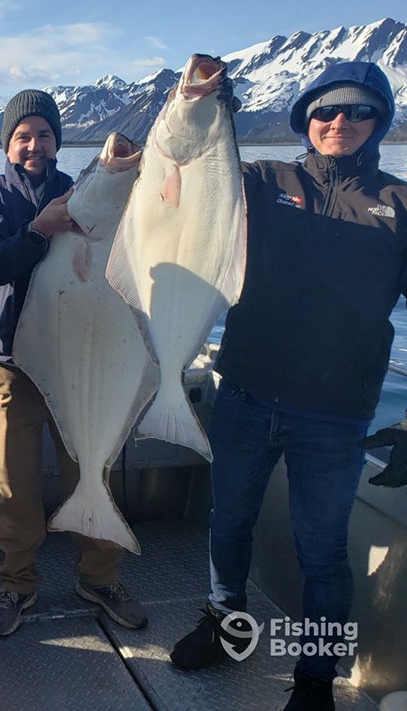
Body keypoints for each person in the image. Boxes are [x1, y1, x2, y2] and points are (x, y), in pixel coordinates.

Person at [169, 62, 407, 711]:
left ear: (379, 121)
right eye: (327, 111)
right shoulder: (259, 180)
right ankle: (226, 625)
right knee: (229, 525)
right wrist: (204, 111)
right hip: (245, 392)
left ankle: (313, 678)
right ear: (305, 118)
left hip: (334, 416)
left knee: (323, 552)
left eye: (359, 112)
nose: (341, 123)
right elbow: (183, 180)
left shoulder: (398, 204)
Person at [0, 89, 149, 637]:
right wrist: (39, 229)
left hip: (84, 361)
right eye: (22, 136)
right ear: (8, 143)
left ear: (56, 140)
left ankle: (100, 577)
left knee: (90, 470)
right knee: (13, 486)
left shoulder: (82, 191)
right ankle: (16, 583)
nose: (34, 145)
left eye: (44, 134)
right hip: (9, 365)